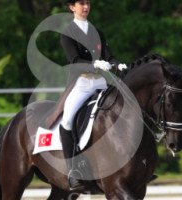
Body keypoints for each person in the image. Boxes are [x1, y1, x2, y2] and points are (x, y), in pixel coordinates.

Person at [60, 0, 127, 191]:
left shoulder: (97, 32)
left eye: (88, 2)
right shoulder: (67, 33)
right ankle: (73, 171)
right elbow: (73, 59)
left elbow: (108, 55)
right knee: (67, 121)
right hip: (81, 84)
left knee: (123, 108)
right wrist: (95, 65)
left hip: (100, 83)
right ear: (72, 7)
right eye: (81, 3)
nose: (85, 6)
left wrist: (117, 63)